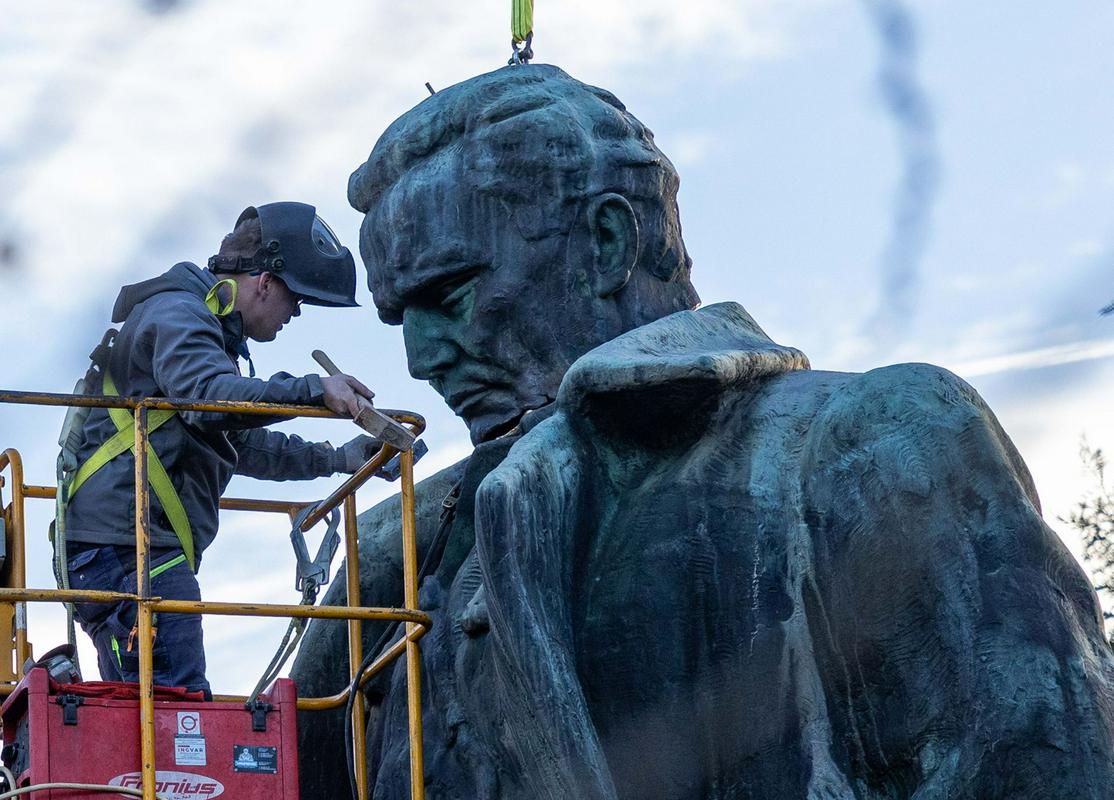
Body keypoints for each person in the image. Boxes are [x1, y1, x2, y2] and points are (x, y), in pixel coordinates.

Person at [294, 67, 1114, 799]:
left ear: (609, 243)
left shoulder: (874, 441)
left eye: (450, 294)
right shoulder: (394, 555)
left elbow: (1041, 763)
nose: (423, 359)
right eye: (401, 318)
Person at [59, 202, 382, 699]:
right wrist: (313, 390)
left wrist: (339, 459)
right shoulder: (180, 314)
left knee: (149, 711)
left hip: (124, 548)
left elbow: (238, 442)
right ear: (265, 282)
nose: (295, 314)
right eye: (296, 298)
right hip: (129, 549)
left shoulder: (204, 328)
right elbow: (209, 399)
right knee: (179, 712)